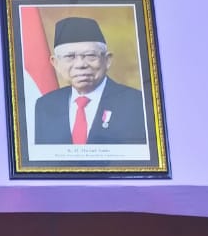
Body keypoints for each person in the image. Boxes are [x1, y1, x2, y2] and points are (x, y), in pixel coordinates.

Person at [33, 16, 146, 144]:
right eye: (70, 57)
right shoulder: (45, 106)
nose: (80, 64)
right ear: (56, 63)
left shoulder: (136, 103)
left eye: (90, 55)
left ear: (107, 60)